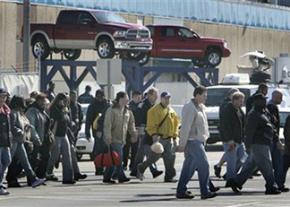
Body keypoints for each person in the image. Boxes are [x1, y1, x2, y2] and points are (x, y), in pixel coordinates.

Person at [227, 93, 281, 195]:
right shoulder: (253, 114)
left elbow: (271, 127)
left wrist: (276, 140)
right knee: (267, 166)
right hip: (258, 144)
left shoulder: (264, 112)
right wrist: (248, 146)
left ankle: (236, 181)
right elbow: (249, 132)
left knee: (251, 165)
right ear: (257, 102)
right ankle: (271, 186)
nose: (265, 102)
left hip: (264, 143)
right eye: (263, 100)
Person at [176, 86, 217, 200]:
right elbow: (185, 127)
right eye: (204, 96)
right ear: (197, 95)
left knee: (188, 168)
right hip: (192, 141)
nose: (205, 98)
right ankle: (205, 191)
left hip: (199, 140)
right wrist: (182, 144)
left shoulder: (201, 107)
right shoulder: (190, 107)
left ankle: (181, 191)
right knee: (204, 165)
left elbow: (204, 125)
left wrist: (206, 138)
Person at [137, 91, 180, 183]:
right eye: (165, 98)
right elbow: (151, 125)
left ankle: (169, 176)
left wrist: (175, 136)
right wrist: (154, 135)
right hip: (159, 138)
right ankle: (141, 167)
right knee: (154, 157)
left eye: (169, 98)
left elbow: (176, 124)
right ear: (161, 99)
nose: (167, 100)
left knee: (170, 158)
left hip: (169, 139)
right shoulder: (154, 110)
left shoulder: (172, 111)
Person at [8, 95, 45, 188]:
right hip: (14, 141)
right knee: (6, 162)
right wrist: (21, 131)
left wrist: (25, 128)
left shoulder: (19, 113)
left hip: (19, 141)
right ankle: (33, 179)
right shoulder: (13, 113)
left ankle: (33, 179)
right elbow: (12, 127)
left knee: (25, 162)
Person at [103, 92, 137, 184]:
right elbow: (107, 124)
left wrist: (134, 134)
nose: (127, 99)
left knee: (113, 159)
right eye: (126, 98)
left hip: (122, 139)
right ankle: (121, 176)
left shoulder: (128, 111)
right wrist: (108, 137)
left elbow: (131, 124)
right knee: (119, 158)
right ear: (120, 99)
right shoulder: (111, 110)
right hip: (113, 139)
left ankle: (107, 177)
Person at [130, 88, 163, 178]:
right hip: (143, 130)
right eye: (155, 95)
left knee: (141, 153)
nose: (156, 97)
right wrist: (139, 128)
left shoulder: (154, 105)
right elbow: (137, 116)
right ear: (149, 95)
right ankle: (154, 170)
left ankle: (134, 170)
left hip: (150, 130)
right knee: (149, 150)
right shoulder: (142, 104)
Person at [46, 93, 75, 184]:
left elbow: (68, 123)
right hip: (56, 135)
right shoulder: (54, 109)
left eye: (67, 100)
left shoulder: (65, 109)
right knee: (54, 156)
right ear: (58, 100)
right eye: (64, 100)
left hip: (64, 134)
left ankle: (68, 178)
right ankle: (45, 172)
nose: (66, 102)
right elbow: (55, 122)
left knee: (67, 155)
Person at [222, 92, 247, 186]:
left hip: (239, 140)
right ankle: (230, 180)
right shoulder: (227, 110)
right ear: (234, 100)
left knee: (243, 158)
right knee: (231, 161)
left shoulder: (239, 110)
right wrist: (230, 140)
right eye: (240, 101)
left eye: (242, 101)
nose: (242, 103)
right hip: (230, 140)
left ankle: (230, 176)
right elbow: (225, 126)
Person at [25, 93, 53, 179]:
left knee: (46, 157)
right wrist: (36, 138)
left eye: (44, 101)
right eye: (42, 101)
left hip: (44, 139)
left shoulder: (42, 111)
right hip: (36, 140)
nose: (43, 103)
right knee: (34, 159)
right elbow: (32, 126)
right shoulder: (32, 111)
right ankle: (32, 179)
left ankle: (41, 176)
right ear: (37, 101)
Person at [214, 88, 240, 178]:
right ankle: (230, 176)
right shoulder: (227, 105)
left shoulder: (233, 105)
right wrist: (229, 138)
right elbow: (226, 122)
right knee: (233, 154)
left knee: (231, 153)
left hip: (234, 135)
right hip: (229, 134)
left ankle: (219, 166)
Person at [267, 90, 289, 192]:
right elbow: (273, 126)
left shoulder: (271, 106)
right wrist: (278, 141)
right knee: (279, 164)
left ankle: (277, 184)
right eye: (280, 98)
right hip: (273, 140)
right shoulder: (272, 107)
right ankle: (277, 184)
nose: (281, 100)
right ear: (275, 97)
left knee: (279, 164)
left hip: (273, 139)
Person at [85, 89, 110, 175]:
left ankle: (105, 167)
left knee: (106, 150)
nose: (100, 98)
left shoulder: (107, 105)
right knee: (98, 150)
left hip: (107, 131)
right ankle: (99, 168)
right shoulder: (92, 106)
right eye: (98, 96)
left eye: (101, 96)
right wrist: (87, 132)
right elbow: (88, 120)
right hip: (97, 132)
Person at [123, 91, 142, 171]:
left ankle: (132, 165)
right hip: (128, 130)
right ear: (133, 97)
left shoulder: (141, 105)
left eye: (140, 97)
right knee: (126, 148)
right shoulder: (129, 106)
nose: (139, 99)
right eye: (138, 97)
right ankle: (124, 164)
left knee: (135, 149)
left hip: (137, 129)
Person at [0, 88, 12, 195]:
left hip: (6, 141)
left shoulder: (6, 110)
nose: (3, 98)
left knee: (7, 161)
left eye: (5, 96)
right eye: (2, 96)